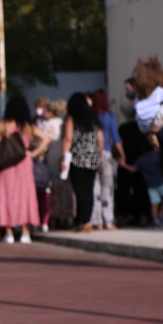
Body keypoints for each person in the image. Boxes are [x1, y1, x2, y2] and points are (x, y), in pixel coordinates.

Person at [0, 96, 50, 243]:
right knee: (25, 196)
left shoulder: (3, 125)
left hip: (5, 164)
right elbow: (46, 139)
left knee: (6, 196)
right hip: (24, 163)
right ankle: (25, 232)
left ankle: (9, 232)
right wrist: (33, 153)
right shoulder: (28, 126)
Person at [61, 92, 104, 233]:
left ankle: (85, 221)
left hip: (78, 157)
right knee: (89, 189)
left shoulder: (72, 118)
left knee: (80, 190)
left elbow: (68, 138)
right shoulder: (93, 118)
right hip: (92, 156)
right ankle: (87, 220)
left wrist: (63, 157)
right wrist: (99, 154)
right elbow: (100, 138)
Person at [119, 139, 163, 226]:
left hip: (150, 184)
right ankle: (161, 213)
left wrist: (123, 165)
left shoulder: (142, 158)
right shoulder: (158, 157)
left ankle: (156, 221)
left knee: (154, 203)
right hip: (161, 182)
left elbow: (133, 169)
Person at [91, 90, 122, 230]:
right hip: (106, 153)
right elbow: (115, 137)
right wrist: (122, 153)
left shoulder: (91, 116)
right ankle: (108, 220)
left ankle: (97, 221)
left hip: (91, 153)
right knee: (107, 188)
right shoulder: (109, 116)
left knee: (95, 187)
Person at [116, 104, 152, 226]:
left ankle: (121, 216)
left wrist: (120, 157)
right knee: (141, 190)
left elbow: (117, 143)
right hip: (141, 161)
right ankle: (143, 217)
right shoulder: (143, 128)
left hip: (125, 161)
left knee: (123, 190)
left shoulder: (124, 128)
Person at [45, 99, 74, 229]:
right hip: (64, 154)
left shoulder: (49, 124)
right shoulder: (63, 122)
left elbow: (45, 140)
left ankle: (54, 219)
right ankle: (68, 217)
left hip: (52, 155)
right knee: (66, 188)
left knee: (53, 189)